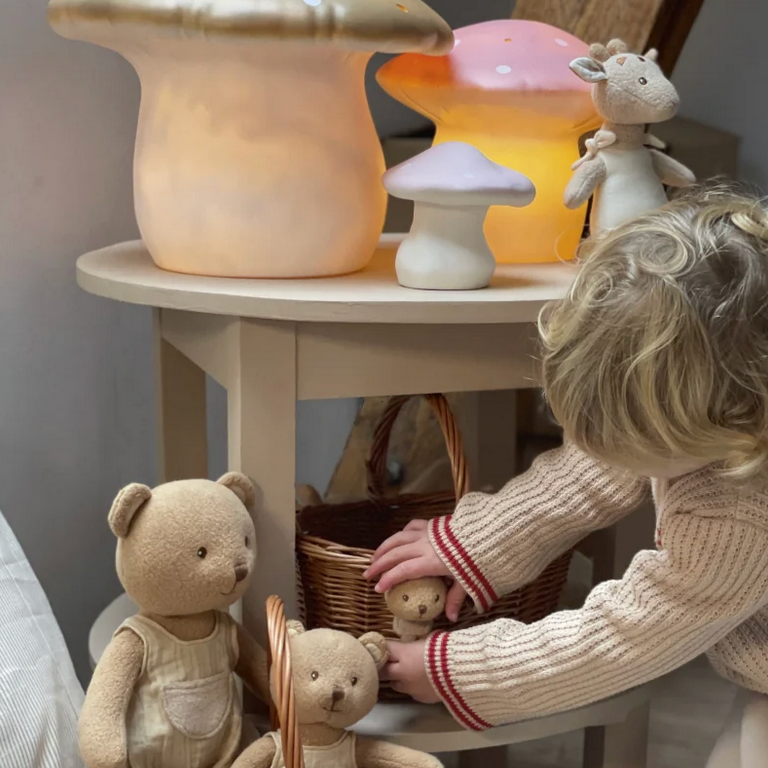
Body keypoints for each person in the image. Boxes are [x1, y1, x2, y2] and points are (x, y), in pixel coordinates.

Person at [364, 184, 768, 767]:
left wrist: (463, 671)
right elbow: (598, 466)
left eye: (639, 444)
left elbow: (625, 639)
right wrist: (478, 540)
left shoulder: (739, 519)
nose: (616, 454)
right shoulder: (722, 410)